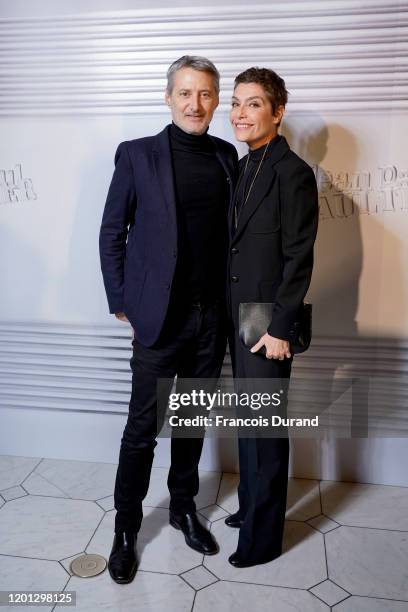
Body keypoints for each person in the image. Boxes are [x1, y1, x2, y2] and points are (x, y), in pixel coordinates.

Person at [99, 55, 238, 583]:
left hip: (211, 322)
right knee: (142, 429)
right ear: (168, 97)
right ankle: (126, 529)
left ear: (215, 99)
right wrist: (121, 302)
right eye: (185, 93)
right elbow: (112, 232)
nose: (195, 104)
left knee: (190, 421)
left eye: (204, 94)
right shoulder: (137, 156)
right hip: (158, 322)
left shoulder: (227, 157)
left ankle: (183, 507)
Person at [225, 67, 319, 567]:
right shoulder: (243, 166)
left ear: (278, 112)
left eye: (253, 103)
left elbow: (299, 256)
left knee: (263, 427)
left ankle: (261, 541)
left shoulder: (292, 171)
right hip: (239, 315)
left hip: (266, 321)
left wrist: (280, 329)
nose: (240, 113)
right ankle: (250, 508)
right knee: (248, 422)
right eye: (236, 103)